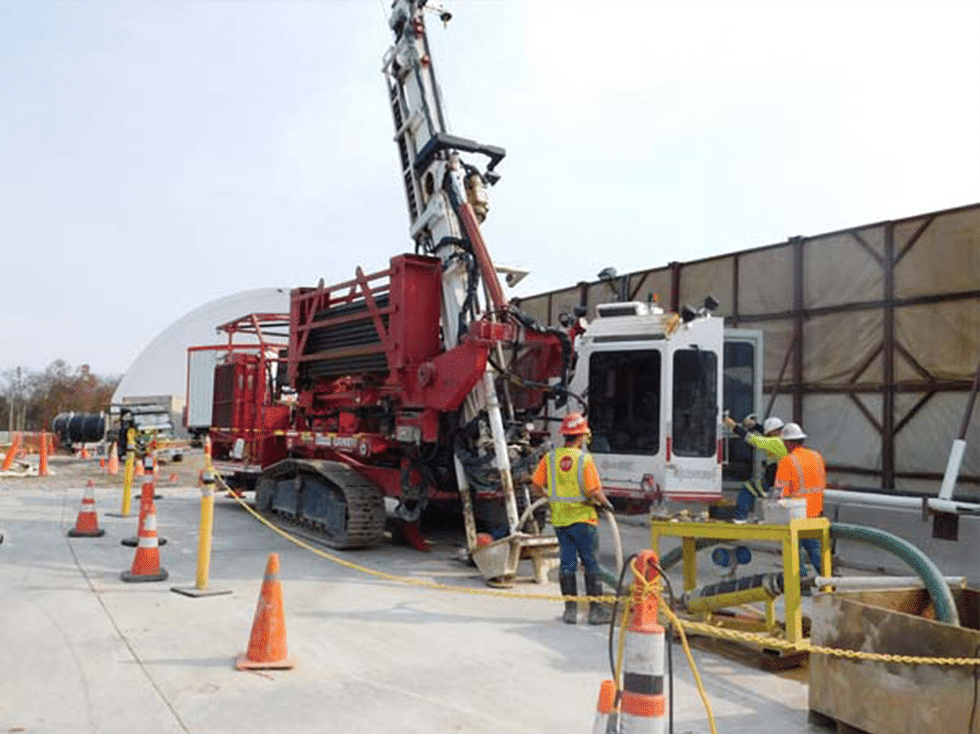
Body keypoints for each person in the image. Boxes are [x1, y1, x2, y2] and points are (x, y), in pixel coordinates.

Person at [531, 412, 615, 625]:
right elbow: (594, 490)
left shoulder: (550, 458)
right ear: (581, 437)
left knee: (567, 563)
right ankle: (595, 612)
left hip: (560, 521)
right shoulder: (584, 460)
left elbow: (536, 484)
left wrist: (550, 497)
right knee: (591, 564)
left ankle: (570, 611)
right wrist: (606, 504)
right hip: (584, 521)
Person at [773, 422, 826, 578]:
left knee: (794, 553)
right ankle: (829, 581)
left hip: (795, 514)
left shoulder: (788, 461)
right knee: (816, 552)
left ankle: (801, 583)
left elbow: (780, 492)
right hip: (815, 512)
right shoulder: (817, 456)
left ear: (788, 442)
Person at [723, 414, 787, 519]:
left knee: (748, 489)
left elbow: (754, 440)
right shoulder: (782, 440)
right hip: (780, 481)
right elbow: (766, 434)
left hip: (773, 483)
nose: (766, 435)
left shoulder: (775, 442)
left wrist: (734, 427)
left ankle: (740, 518)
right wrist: (754, 426)